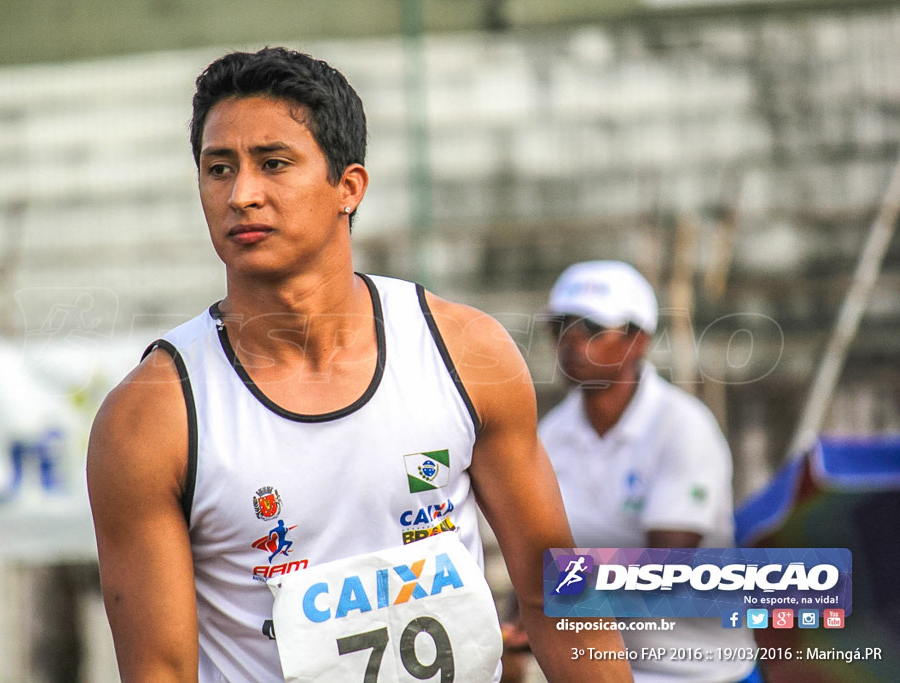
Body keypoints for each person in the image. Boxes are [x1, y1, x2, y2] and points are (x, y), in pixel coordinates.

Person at [86, 48, 631, 682]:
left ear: (349, 187)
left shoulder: (466, 351)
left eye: (274, 163)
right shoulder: (149, 418)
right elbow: (159, 671)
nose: (241, 194)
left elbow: (557, 596)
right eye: (218, 168)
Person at [533, 260, 760, 682]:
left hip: (702, 672)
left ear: (639, 341)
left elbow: (662, 570)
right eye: (560, 325)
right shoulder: (549, 434)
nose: (571, 339)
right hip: (605, 669)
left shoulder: (684, 427)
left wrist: (547, 592)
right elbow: (533, 560)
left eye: (592, 326)